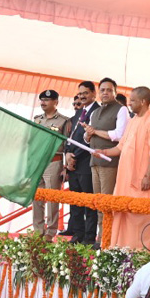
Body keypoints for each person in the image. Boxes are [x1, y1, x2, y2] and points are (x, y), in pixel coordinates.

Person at [95, 87, 150, 250]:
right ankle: (119, 250)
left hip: (141, 180)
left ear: (143, 101)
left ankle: (138, 253)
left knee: (138, 217)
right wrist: (103, 152)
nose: (129, 103)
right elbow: (120, 147)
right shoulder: (132, 121)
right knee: (121, 213)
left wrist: (147, 176)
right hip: (124, 180)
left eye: (132, 100)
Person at [83, 77, 129, 239]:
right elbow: (86, 137)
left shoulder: (121, 110)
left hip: (111, 162)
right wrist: (88, 134)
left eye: (109, 90)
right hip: (94, 162)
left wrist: (94, 131)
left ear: (115, 92)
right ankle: (101, 237)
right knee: (99, 202)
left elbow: (120, 135)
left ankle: (107, 239)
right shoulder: (94, 112)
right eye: (102, 90)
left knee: (107, 203)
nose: (105, 93)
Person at [31, 89, 72, 240]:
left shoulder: (64, 121)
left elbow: (68, 145)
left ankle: (50, 231)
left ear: (56, 102)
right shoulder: (37, 119)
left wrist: (66, 167)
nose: (43, 102)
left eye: (47, 100)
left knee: (52, 199)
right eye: (42, 100)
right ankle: (38, 230)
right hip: (37, 162)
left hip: (54, 162)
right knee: (36, 197)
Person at [62, 82, 99, 245]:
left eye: (85, 93)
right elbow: (71, 137)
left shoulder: (97, 111)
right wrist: (67, 154)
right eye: (80, 94)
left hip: (86, 163)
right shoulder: (79, 112)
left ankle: (89, 237)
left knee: (89, 203)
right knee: (75, 202)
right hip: (72, 164)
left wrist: (74, 156)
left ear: (93, 94)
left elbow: (89, 139)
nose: (82, 96)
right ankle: (77, 234)